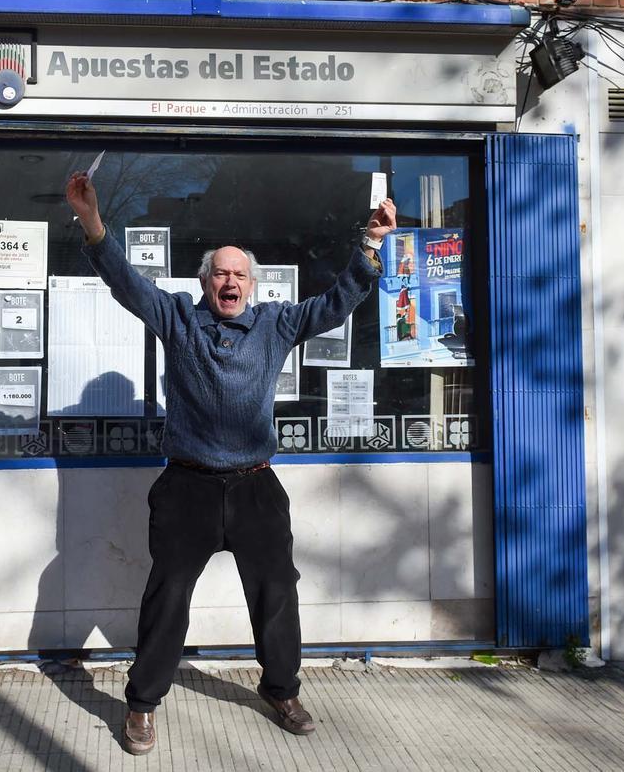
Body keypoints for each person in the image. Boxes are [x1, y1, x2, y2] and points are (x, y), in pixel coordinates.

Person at [65, 170, 396, 756]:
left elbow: (338, 303)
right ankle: (142, 705)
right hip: (187, 487)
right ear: (205, 281)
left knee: (276, 593)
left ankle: (282, 691)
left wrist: (369, 247)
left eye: (240, 273)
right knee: (167, 598)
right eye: (221, 272)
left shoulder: (276, 324)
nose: (230, 281)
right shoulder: (178, 320)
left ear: (252, 285)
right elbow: (124, 282)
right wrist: (92, 220)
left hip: (254, 488)